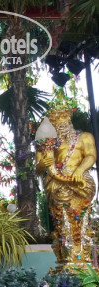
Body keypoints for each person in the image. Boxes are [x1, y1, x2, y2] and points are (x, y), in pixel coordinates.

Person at [35, 106, 96, 265]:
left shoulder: (85, 137)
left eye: (65, 124)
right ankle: (67, 254)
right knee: (62, 221)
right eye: (58, 126)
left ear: (70, 123)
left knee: (81, 218)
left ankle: (81, 255)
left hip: (80, 183)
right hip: (57, 185)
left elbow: (91, 155)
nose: (63, 127)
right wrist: (43, 164)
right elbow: (38, 168)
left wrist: (80, 170)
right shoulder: (48, 143)